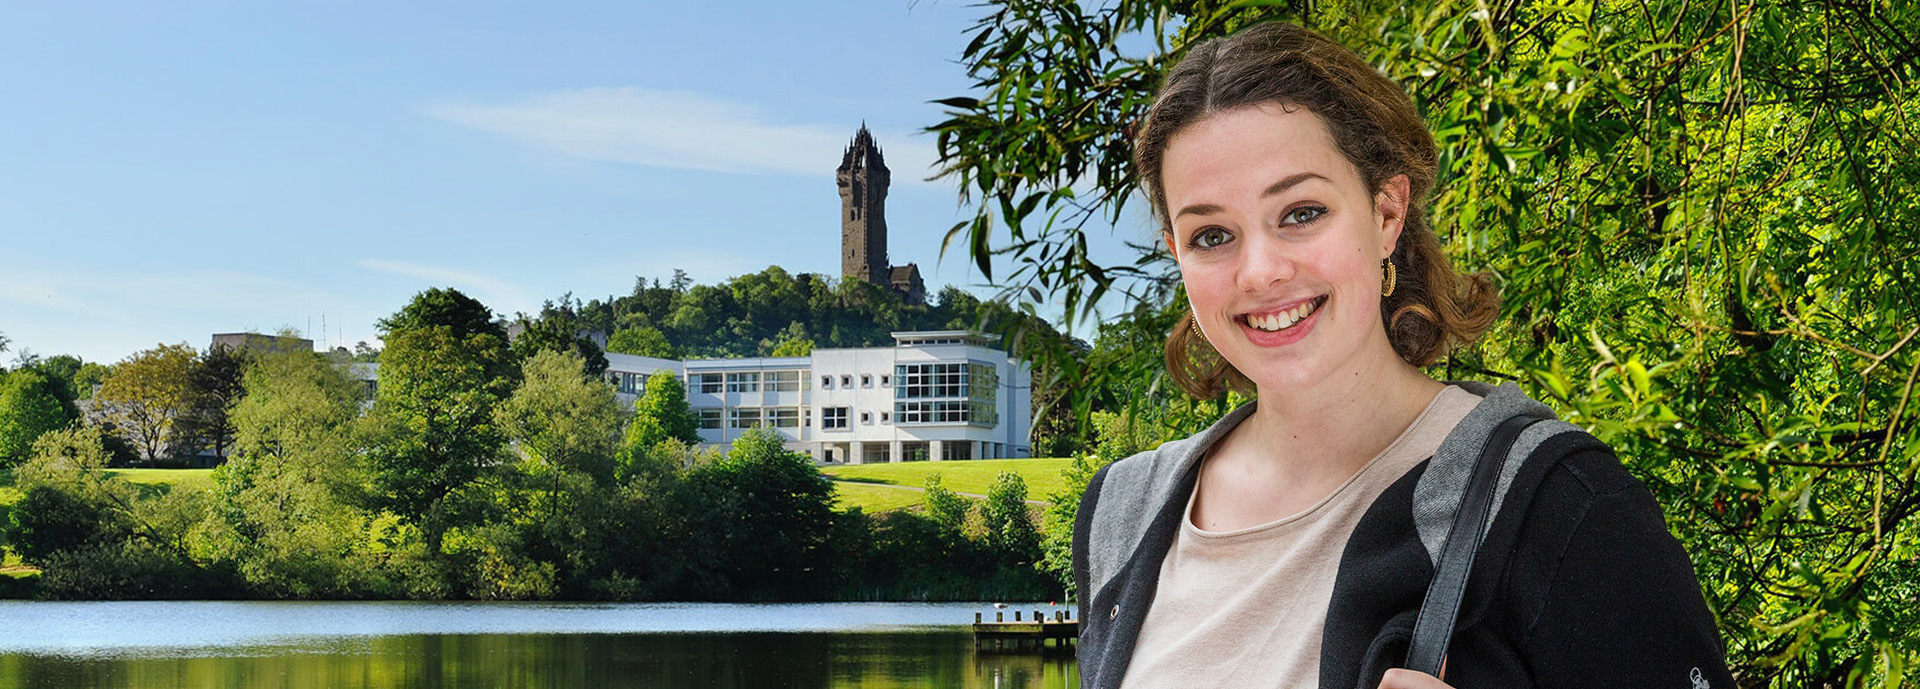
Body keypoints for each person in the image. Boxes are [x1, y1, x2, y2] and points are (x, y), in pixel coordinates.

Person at [1070, 21, 1735, 689]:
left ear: (1386, 212)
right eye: (1212, 234)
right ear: (1175, 252)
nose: (1260, 271)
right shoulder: (1123, 516)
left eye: (1301, 212)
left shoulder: (1559, 508)